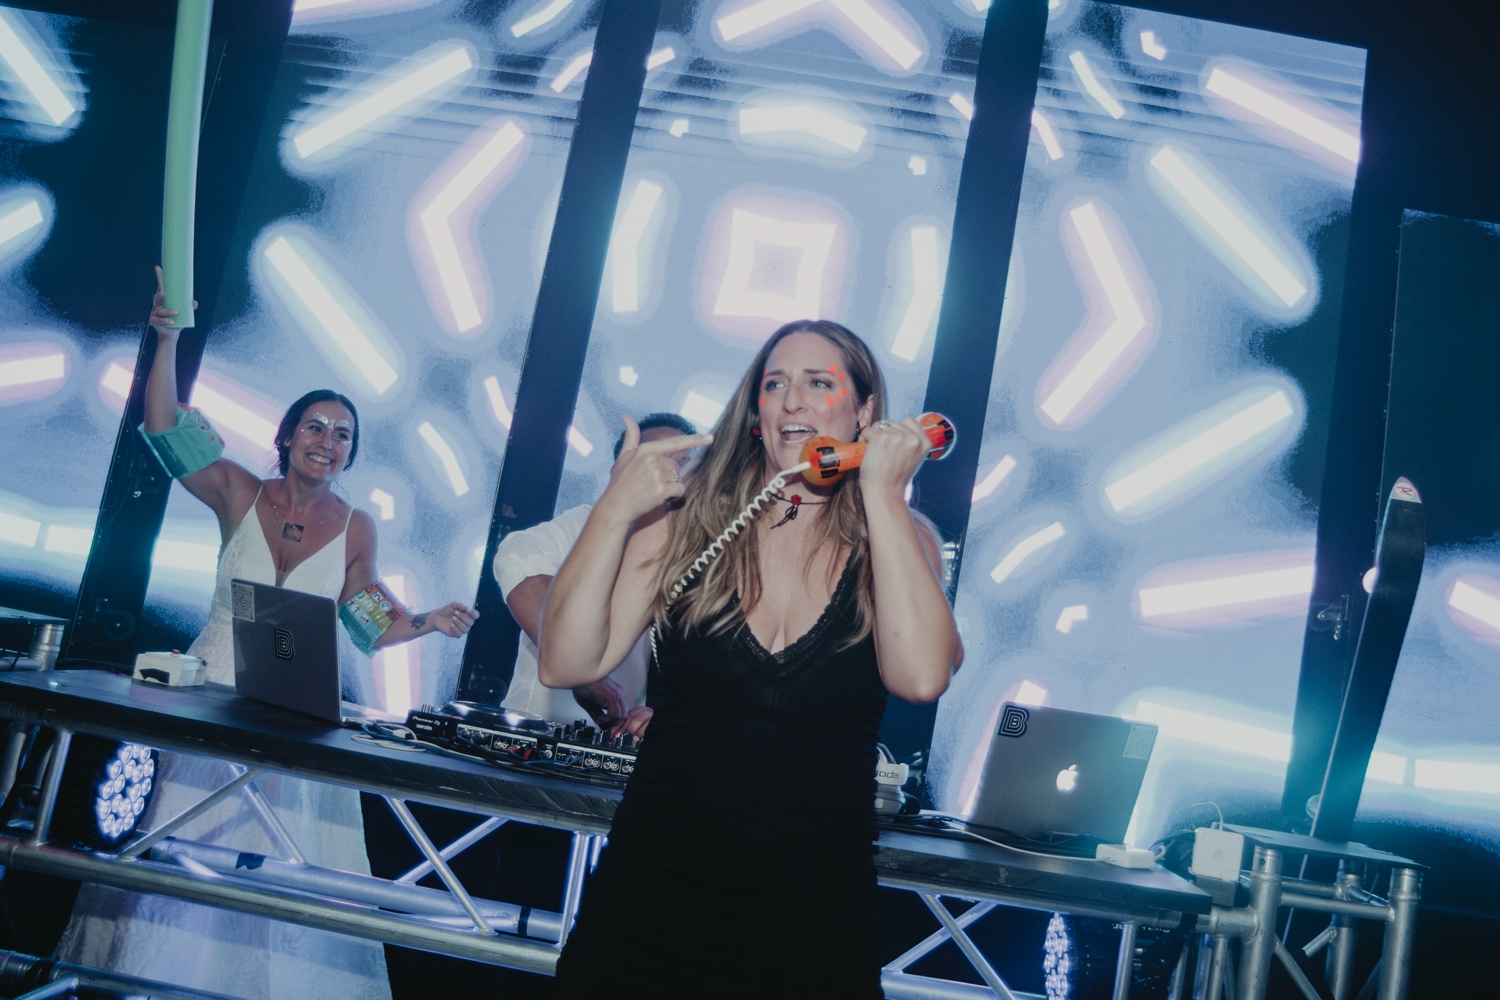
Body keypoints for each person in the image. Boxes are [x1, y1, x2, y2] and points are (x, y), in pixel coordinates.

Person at [58, 269, 477, 1000]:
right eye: (316, 427)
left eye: (342, 435)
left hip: (293, 707)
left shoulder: (356, 525)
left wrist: (429, 622)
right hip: (210, 695)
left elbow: (369, 619)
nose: (328, 441)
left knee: (277, 858)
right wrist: (166, 338)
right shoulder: (237, 490)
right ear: (286, 436)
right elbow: (163, 428)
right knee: (183, 839)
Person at [540, 319, 963, 996]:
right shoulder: (687, 522)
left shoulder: (903, 539)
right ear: (756, 413)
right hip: (651, 902)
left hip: (817, 920)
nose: (792, 399)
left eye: (819, 383)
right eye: (775, 384)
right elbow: (564, 661)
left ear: (864, 413)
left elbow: (920, 677)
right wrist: (613, 512)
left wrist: (883, 495)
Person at [493, 413, 697, 736]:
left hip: (618, 749)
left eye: (684, 463)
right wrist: (582, 672)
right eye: (657, 459)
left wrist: (661, 716)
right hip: (534, 735)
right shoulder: (588, 527)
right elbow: (516, 555)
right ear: (619, 473)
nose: (671, 472)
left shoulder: (697, 558)